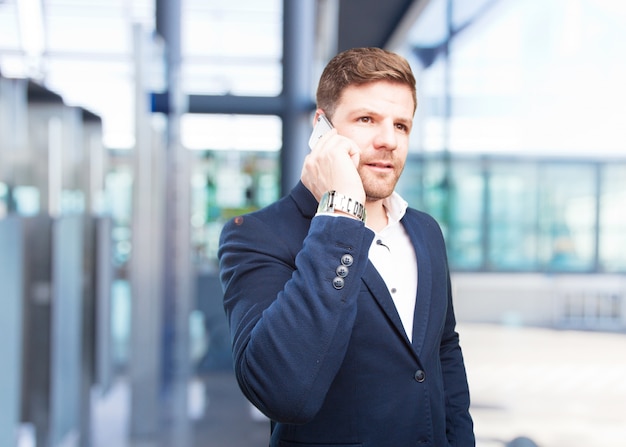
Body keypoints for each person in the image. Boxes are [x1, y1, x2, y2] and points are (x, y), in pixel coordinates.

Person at [218, 47, 475, 446]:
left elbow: (444, 352)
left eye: (402, 125)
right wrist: (339, 214)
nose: (389, 140)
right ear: (321, 128)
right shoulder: (258, 235)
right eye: (367, 119)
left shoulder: (424, 230)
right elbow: (281, 392)